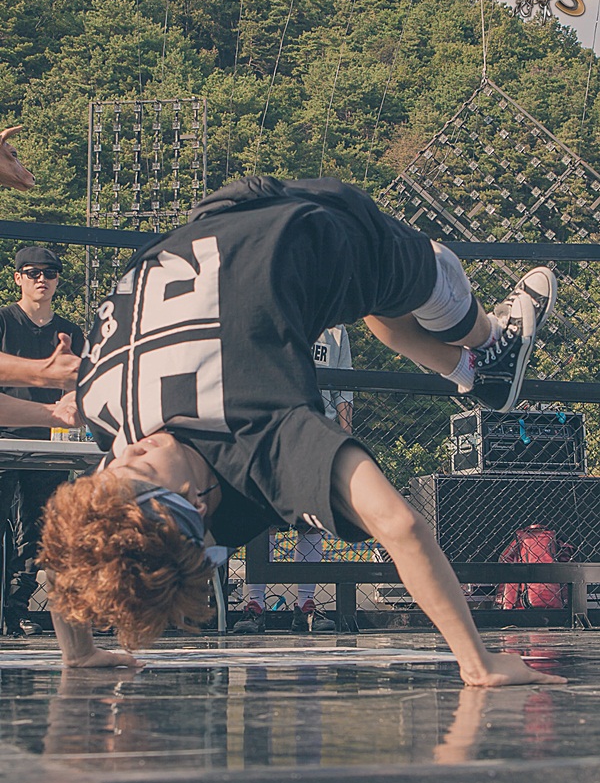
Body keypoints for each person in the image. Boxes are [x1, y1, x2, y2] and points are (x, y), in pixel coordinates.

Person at [40, 176, 564, 687]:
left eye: (117, 464)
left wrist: (79, 654)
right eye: (144, 466)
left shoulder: (190, 446)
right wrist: (478, 663)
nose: (131, 448)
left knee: (432, 271)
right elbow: (398, 524)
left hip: (289, 228)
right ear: (194, 504)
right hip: (251, 241)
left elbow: (71, 559)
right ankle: (475, 366)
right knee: (381, 296)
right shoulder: (248, 437)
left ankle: (491, 344)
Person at [234, 325, 353, 634]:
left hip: (319, 432)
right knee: (264, 520)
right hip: (273, 429)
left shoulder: (336, 329)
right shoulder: (276, 312)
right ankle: (255, 605)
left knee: (312, 521)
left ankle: (305, 605)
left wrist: (345, 433)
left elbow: (344, 387)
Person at [0, 246, 84, 636]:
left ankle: (16, 609)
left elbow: (79, 385)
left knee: (39, 531)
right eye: (33, 272)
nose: (42, 279)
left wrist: (72, 401)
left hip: (49, 443)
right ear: (17, 277)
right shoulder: (4, 320)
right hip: (4, 436)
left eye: (50, 273)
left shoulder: (70, 331)